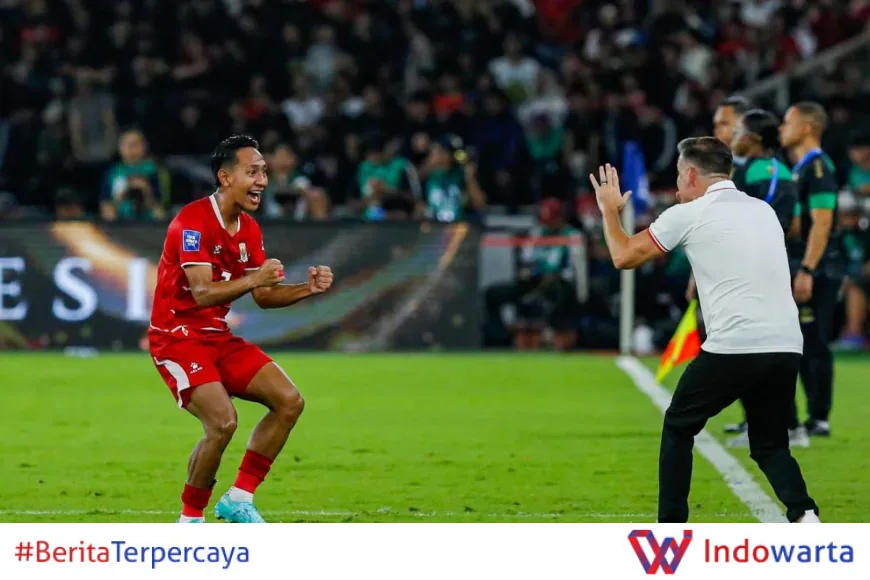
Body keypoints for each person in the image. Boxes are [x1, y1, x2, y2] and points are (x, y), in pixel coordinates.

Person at [590, 138, 819, 523]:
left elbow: (623, 255)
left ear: (693, 174)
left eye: (680, 177)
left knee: (679, 426)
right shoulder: (762, 210)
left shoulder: (691, 212)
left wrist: (610, 212)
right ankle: (805, 516)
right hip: (785, 343)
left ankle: (670, 531)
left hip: (735, 344)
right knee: (770, 445)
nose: (678, 188)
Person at [148, 134, 334, 523]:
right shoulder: (192, 222)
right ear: (225, 176)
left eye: (264, 172)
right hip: (177, 338)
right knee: (222, 423)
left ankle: (239, 498)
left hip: (216, 336)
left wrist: (307, 288)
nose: (262, 180)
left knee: (289, 401)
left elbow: (263, 296)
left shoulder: (248, 229)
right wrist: (254, 279)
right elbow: (202, 293)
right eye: (253, 172)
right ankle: (190, 520)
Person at [725, 109, 806, 447]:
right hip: (769, 266)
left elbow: (737, 222)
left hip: (752, 269)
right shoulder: (779, 171)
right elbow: (794, 224)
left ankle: (777, 426)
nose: (733, 137)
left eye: (738, 131)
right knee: (763, 349)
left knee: (751, 349)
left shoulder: (754, 172)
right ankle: (781, 425)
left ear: (753, 139)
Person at [779, 102, 843, 438]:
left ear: (806, 127)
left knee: (814, 340)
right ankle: (809, 416)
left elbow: (822, 223)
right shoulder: (801, 168)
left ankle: (819, 417)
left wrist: (807, 269)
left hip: (819, 266)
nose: (782, 128)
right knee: (801, 341)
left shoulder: (818, 168)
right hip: (805, 263)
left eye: (787, 122)